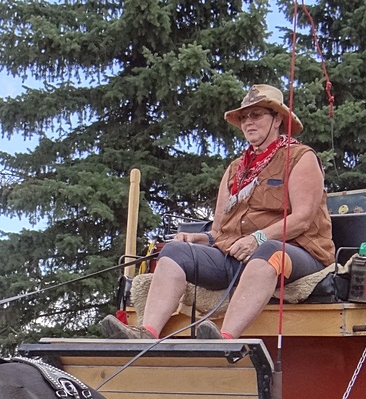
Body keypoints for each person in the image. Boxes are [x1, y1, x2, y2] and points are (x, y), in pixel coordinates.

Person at [101, 84, 334, 341]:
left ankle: (225, 338)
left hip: (296, 253)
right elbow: (219, 229)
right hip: (236, 255)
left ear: (278, 118)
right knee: (174, 251)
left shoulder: (301, 157)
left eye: (256, 115)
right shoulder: (236, 168)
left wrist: (257, 239)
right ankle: (146, 333)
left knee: (270, 251)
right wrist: (202, 239)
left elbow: (302, 219)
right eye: (244, 118)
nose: (248, 123)